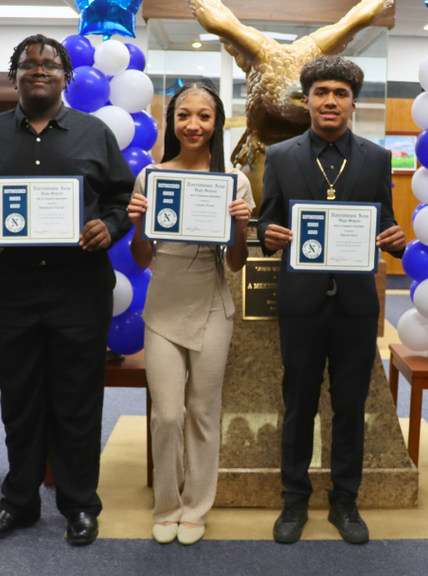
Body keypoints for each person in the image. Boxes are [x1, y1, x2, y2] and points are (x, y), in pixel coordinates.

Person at [0, 34, 134, 546]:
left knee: (77, 400)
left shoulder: (94, 133)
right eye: (28, 63)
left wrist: (111, 227)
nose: (39, 69)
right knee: (20, 400)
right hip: (11, 289)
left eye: (50, 63)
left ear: (65, 76)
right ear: (14, 74)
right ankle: (20, 503)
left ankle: (79, 506)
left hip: (80, 287)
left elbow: (121, 198)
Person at [257, 55, 405, 545]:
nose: (330, 101)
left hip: (357, 304)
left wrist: (395, 239)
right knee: (298, 404)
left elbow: (383, 218)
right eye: (321, 92)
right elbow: (266, 220)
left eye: (340, 94)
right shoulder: (280, 156)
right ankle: (294, 499)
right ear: (307, 100)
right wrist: (268, 234)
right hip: (301, 302)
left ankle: (345, 500)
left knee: (350, 405)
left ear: (353, 104)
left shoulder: (377, 158)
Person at [126, 83, 254, 546]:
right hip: (163, 301)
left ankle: (196, 506)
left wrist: (240, 226)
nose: (194, 125)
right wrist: (138, 221)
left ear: (217, 122)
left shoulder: (234, 180)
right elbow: (142, 259)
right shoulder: (152, 177)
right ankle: (167, 505)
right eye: (184, 115)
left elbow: (237, 262)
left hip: (213, 300)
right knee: (166, 413)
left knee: (202, 410)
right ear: (172, 121)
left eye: (204, 116)